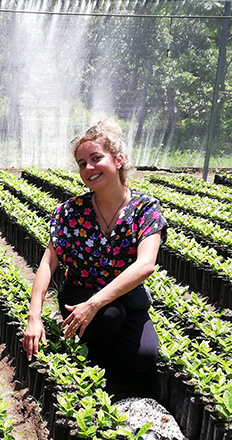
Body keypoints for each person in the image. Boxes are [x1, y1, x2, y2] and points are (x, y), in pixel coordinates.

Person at [23, 121, 167, 397]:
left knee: (144, 357)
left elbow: (145, 264)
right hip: (81, 291)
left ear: (118, 159)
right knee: (108, 317)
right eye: (81, 163)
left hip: (125, 295)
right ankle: (93, 368)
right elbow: (47, 263)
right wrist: (34, 315)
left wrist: (96, 303)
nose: (88, 168)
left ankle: (109, 349)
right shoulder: (70, 212)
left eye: (95, 158)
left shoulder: (144, 209)